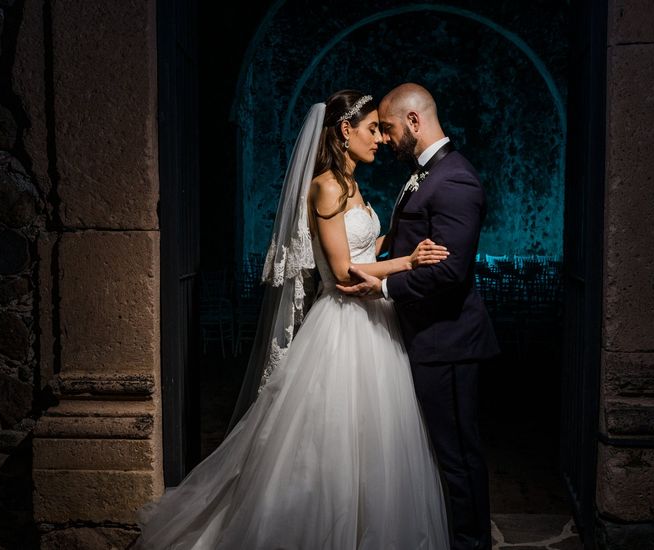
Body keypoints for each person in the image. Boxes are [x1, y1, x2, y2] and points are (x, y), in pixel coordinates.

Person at [132, 90, 450, 549]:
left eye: (382, 129)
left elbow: (361, 248)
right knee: (329, 440)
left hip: (376, 322)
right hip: (343, 324)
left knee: (377, 443)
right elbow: (342, 272)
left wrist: (396, 241)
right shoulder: (325, 184)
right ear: (346, 130)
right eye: (372, 129)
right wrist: (409, 263)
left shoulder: (352, 184)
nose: (380, 139)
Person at [337, 83, 500, 550]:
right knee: (439, 453)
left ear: (413, 122)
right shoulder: (427, 174)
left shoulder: (455, 179)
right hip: (425, 336)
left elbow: (449, 271)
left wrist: (383, 286)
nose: (385, 139)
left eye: (388, 128)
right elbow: (408, 244)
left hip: (448, 340)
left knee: (458, 456)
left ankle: (471, 545)